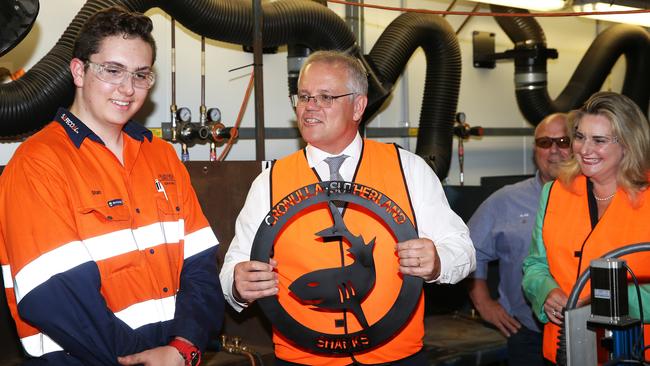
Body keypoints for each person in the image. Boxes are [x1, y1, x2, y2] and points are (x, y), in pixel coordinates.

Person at [219, 50, 475, 366]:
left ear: (358, 106)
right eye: (303, 96)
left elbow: (463, 250)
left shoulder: (408, 169)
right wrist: (238, 284)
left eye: (325, 97)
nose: (309, 107)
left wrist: (437, 261)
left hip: (395, 357)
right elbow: (235, 264)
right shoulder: (269, 182)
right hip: (303, 358)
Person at [0, 7, 223, 365]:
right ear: (78, 71)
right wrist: (140, 359)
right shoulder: (37, 164)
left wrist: (183, 348)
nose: (127, 88)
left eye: (140, 75)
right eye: (112, 70)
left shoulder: (161, 156)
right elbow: (55, 296)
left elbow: (200, 267)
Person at [522, 91, 650, 363]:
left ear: (628, 144)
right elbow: (535, 265)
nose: (584, 149)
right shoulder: (555, 192)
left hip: (637, 351)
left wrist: (605, 299)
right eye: (579, 137)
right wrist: (545, 292)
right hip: (566, 349)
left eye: (599, 140)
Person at [467, 113, 570, 365]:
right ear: (535, 150)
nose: (554, 150)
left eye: (563, 141)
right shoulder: (505, 200)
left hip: (588, 333)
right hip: (527, 336)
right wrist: (484, 304)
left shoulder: (596, 198)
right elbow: (467, 251)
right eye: (545, 142)